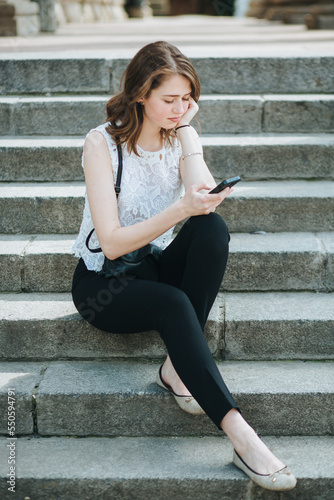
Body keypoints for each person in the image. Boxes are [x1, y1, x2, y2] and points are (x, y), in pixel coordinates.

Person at [71, 41, 297, 492]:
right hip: (104, 285)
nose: (180, 109)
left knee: (212, 229)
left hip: (151, 266)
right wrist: (181, 210)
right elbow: (113, 244)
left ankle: (177, 367)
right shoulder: (102, 143)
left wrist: (189, 136)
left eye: (187, 99)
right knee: (173, 302)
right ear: (140, 95)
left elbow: (200, 195)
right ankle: (241, 434)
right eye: (169, 100)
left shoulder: (180, 134)